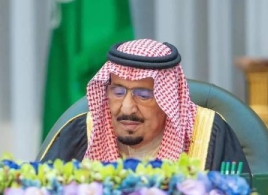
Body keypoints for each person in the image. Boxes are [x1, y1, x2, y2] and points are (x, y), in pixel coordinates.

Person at [40, 39, 250, 172]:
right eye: (118, 92)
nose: (127, 108)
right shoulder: (80, 134)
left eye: (144, 95)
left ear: (169, 99)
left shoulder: (209, 134)